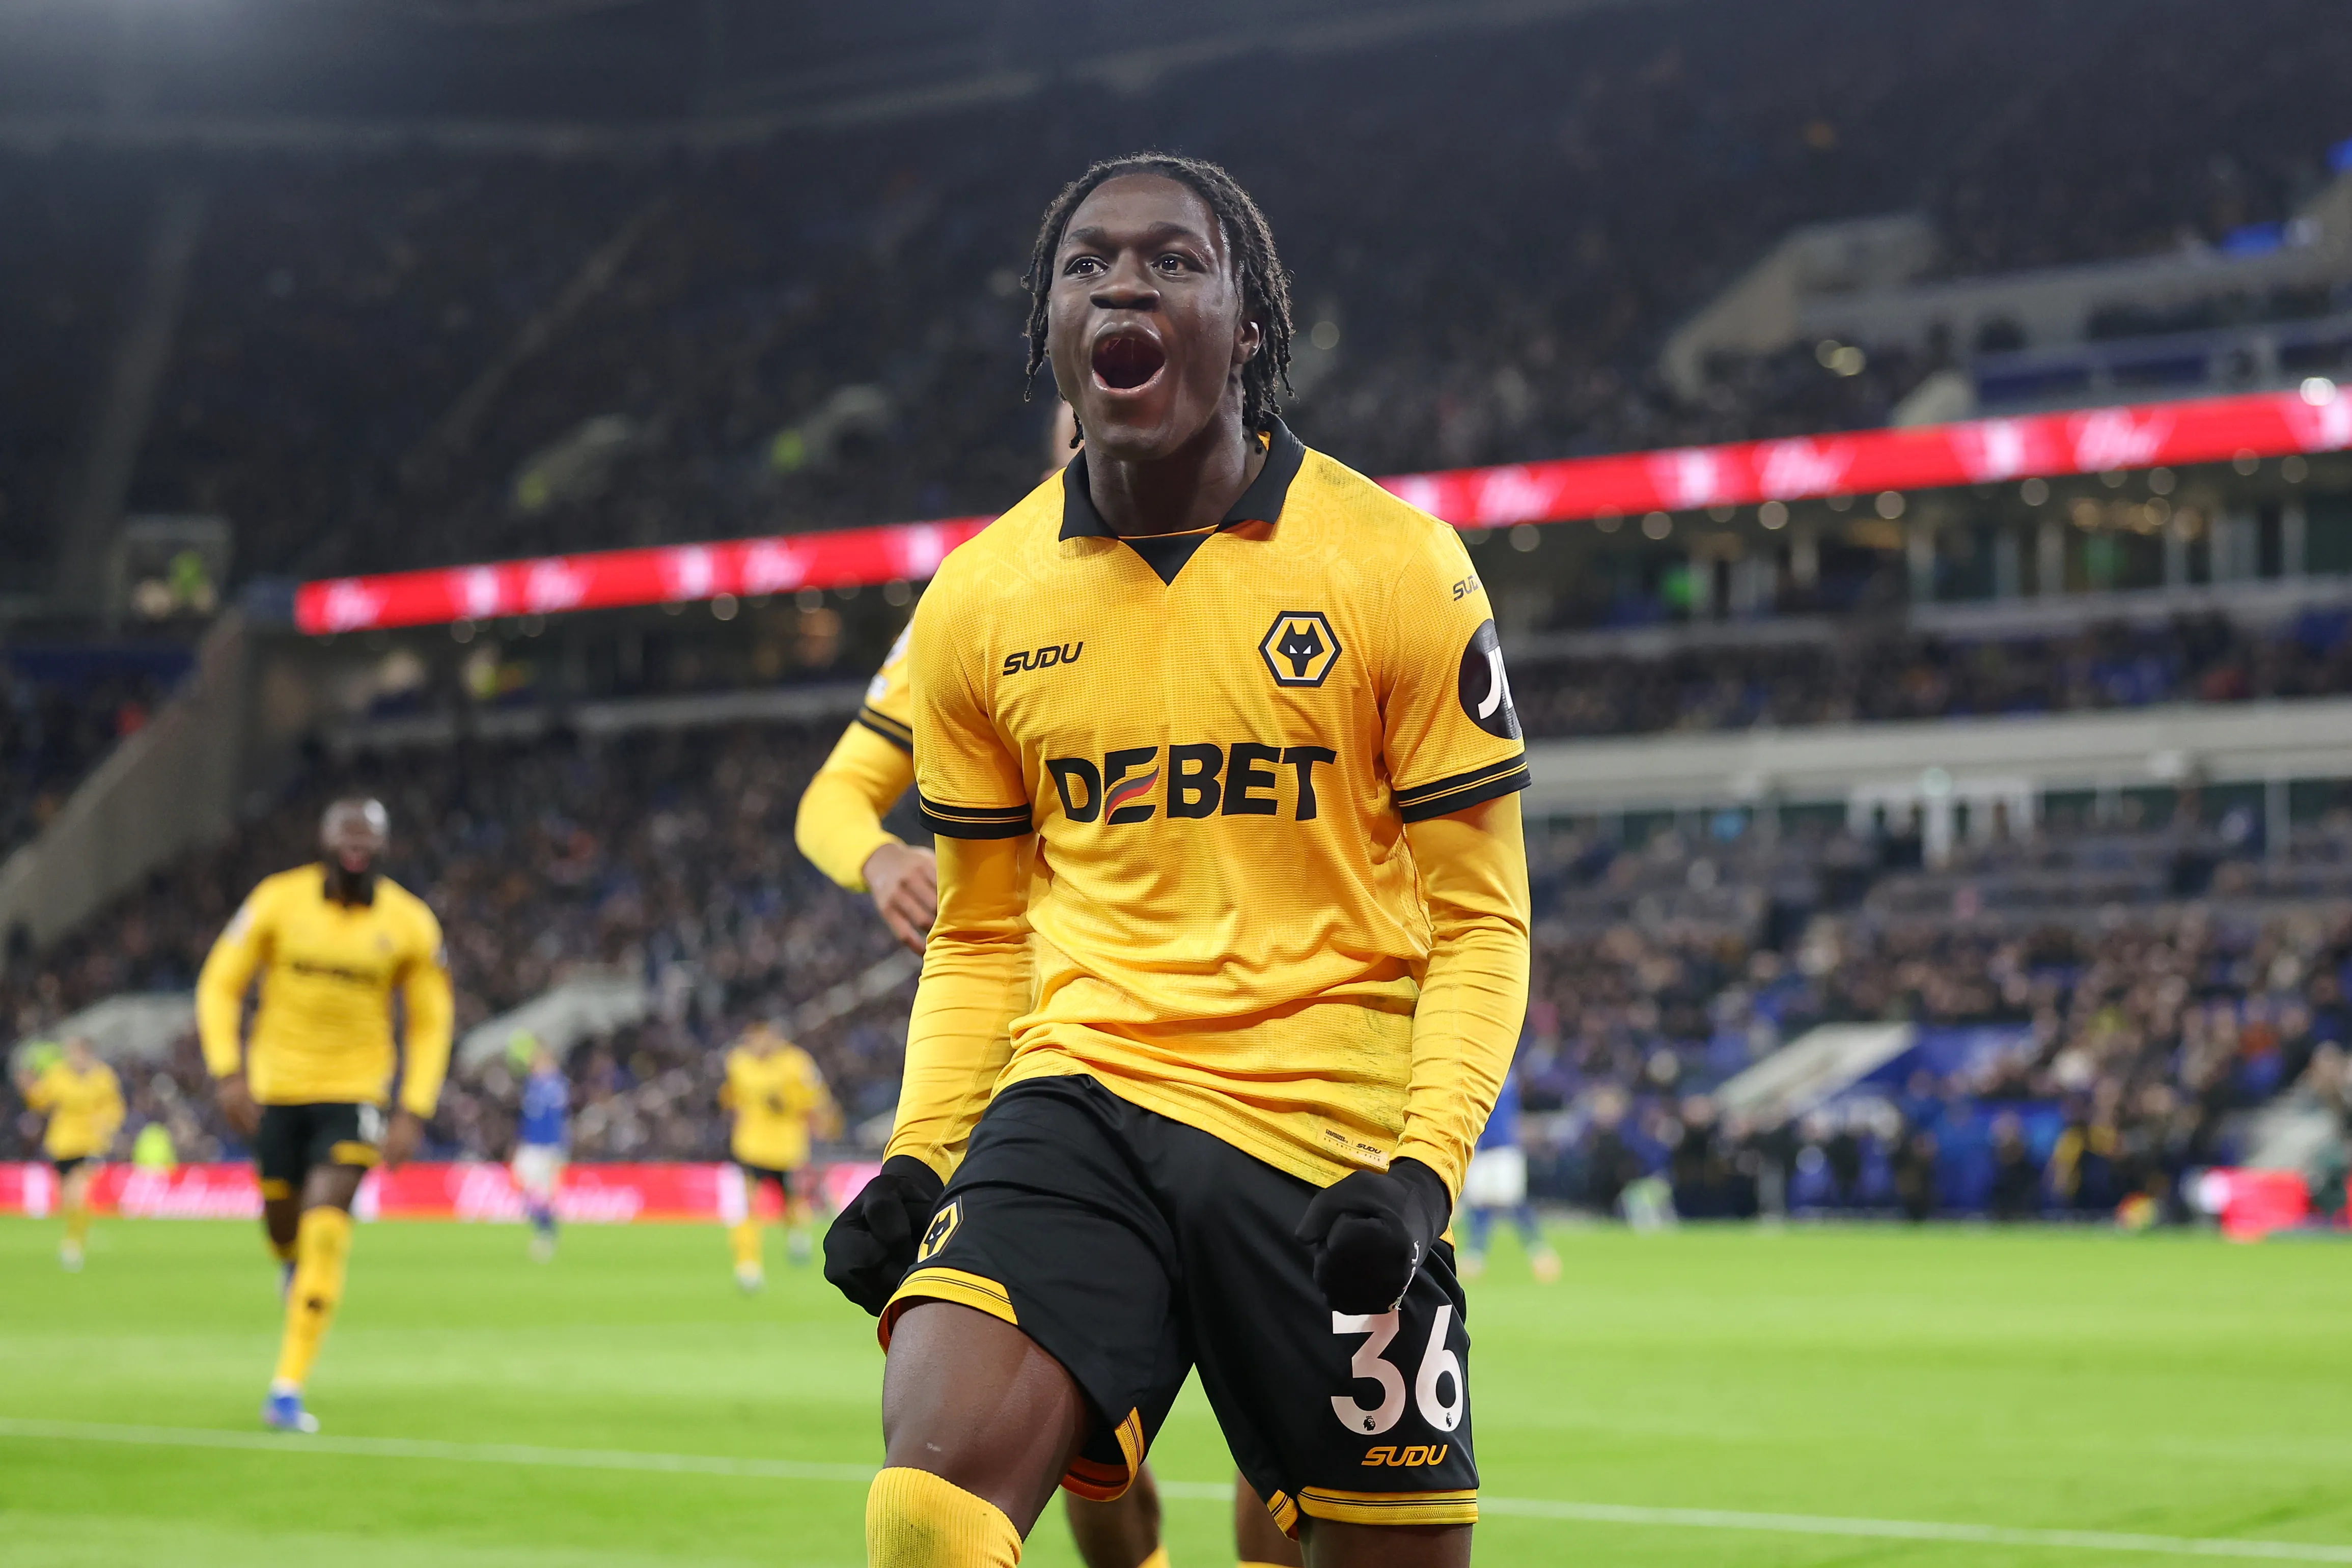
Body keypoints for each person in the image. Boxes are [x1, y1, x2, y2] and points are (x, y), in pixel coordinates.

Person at [824, 153, 1531, 1568]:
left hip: (1330, 1136)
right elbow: (977, 936)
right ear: (1048, 334)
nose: (1124, 282)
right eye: (1087, 265)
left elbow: (1481, 923)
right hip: (1082, 1093)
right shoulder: (979, 600)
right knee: (924, 1508)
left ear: (1247, 321)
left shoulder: (1396, 566)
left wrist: (1418, 1178)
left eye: (1172, 260)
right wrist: (917, 1159)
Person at [794, 403, 1280, 1568]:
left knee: (1286, 1457)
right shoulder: (985, 589)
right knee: (1082, 1452)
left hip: (1273, 1060)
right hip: (1064, 1056)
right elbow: (831, 797)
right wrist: (878, 857)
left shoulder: (1294, 555)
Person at [197, 797, 453, 1434]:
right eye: (346, 832)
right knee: (282, 1218)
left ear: (385, 844)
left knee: (326, 1226)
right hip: (275, 1092)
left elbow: (431, 1022)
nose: (356, 844)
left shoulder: (412, 923)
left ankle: (286, 1387)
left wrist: (412, 1109)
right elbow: (219, 982)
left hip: (355, 1095)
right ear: (324, 838)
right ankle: (291, 1265)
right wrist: (227, 1070)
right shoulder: (276, 901)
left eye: (368, 834)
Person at [720, 1021, 840, 1290]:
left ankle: (798, 1236)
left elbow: (816, 1100)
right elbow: (730, 1097)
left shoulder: (797, 1063)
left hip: (788, 1150)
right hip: (751, 1148)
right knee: (748, 1208)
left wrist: (791, 1106)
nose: (758, 1043)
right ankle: (748, 1268)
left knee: (793, 1203)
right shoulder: (738, 1063)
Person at [15, 1036, 123, 1270]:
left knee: (79, 1190)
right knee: (66, 1200)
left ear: (87, 1053)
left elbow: (114, 1107)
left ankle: (73, 1246)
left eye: (78, 1053)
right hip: (62, 1144)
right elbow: (41, 1101)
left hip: (90, 1143)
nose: (75, 1058)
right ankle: (76, 1232)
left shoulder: (102, 1077)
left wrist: (107, 1126)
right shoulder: (58, 1074)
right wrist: (28, 1086)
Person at [1456, 1056, 1559, 1282]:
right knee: (1479, 1202)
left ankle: (1540, 1252)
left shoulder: (1495, 1071)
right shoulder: (1484, 1071)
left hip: (1503, 1148)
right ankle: (1475, 1255)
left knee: (1511, 1202)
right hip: (1481, 1148)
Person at [512, 1040, 569, 1262]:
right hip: (530, 1146)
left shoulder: (554, 1086)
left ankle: (547, 1234)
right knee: (523, 1185)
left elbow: (557, 1122)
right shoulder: (532, 1084)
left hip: (547, 1149)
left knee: (542, 1194)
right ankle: (545, 1228)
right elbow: (527, 1120)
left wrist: (558, 1150)